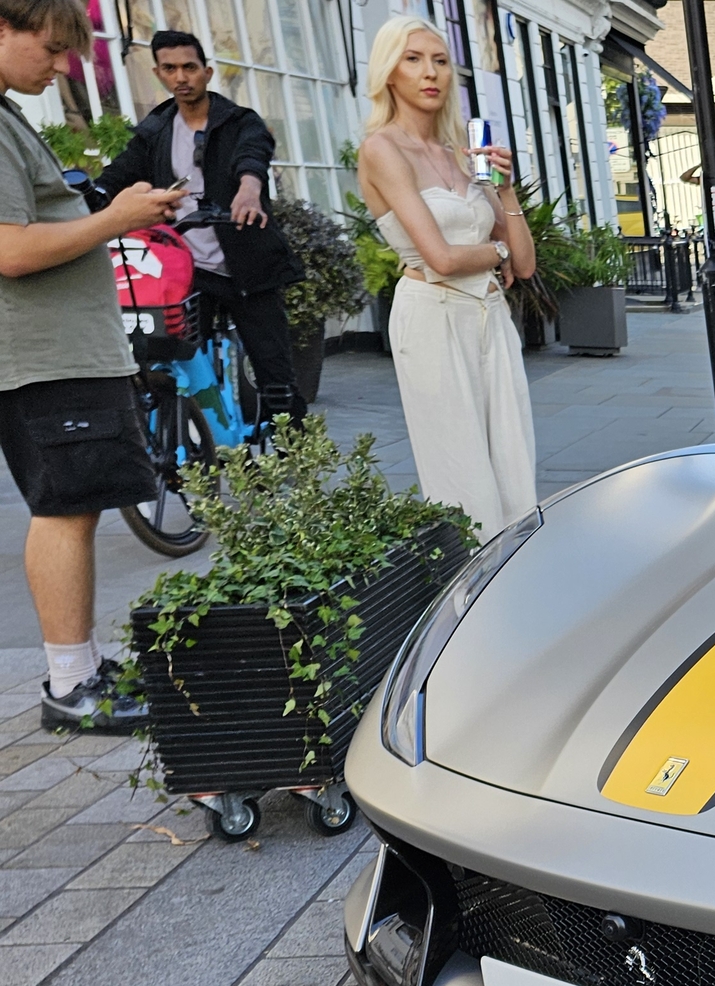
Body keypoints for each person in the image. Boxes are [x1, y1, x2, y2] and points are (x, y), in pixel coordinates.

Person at [0, 0, 183, 730]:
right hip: (44, 356)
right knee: (66, 507)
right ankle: (72, 686)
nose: (61, 66)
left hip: (59, 352)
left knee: (78, 503)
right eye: (49, 49)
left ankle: (81, 666)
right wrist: (115, 219)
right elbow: (10, 250)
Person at [356, 16, 537, 536]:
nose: (429, 72)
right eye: (413, 59)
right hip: (433, 317)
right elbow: (439, 258)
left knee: (513, 458)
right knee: (461, 474)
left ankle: (514, 584)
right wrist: (496, 248)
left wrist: (505, 192)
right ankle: (469, 602)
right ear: (389, 73)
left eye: (439, 60)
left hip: (490, 318)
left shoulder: (464, 151)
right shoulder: (382, 149)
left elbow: (523, 265)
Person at [95, 29, 305, 424]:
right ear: (158, 73)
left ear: (207, 72)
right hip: (186, 271)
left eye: (189, 67)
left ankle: (292, 455)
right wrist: (94, 198)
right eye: (170, 69)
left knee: (274, 372)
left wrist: (248, 190)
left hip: (247, 266)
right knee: (179, 365)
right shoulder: (155, 130)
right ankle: (207, 445)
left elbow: (253, 155)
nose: (181, 77)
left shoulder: (240, 121)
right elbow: (120, 172)